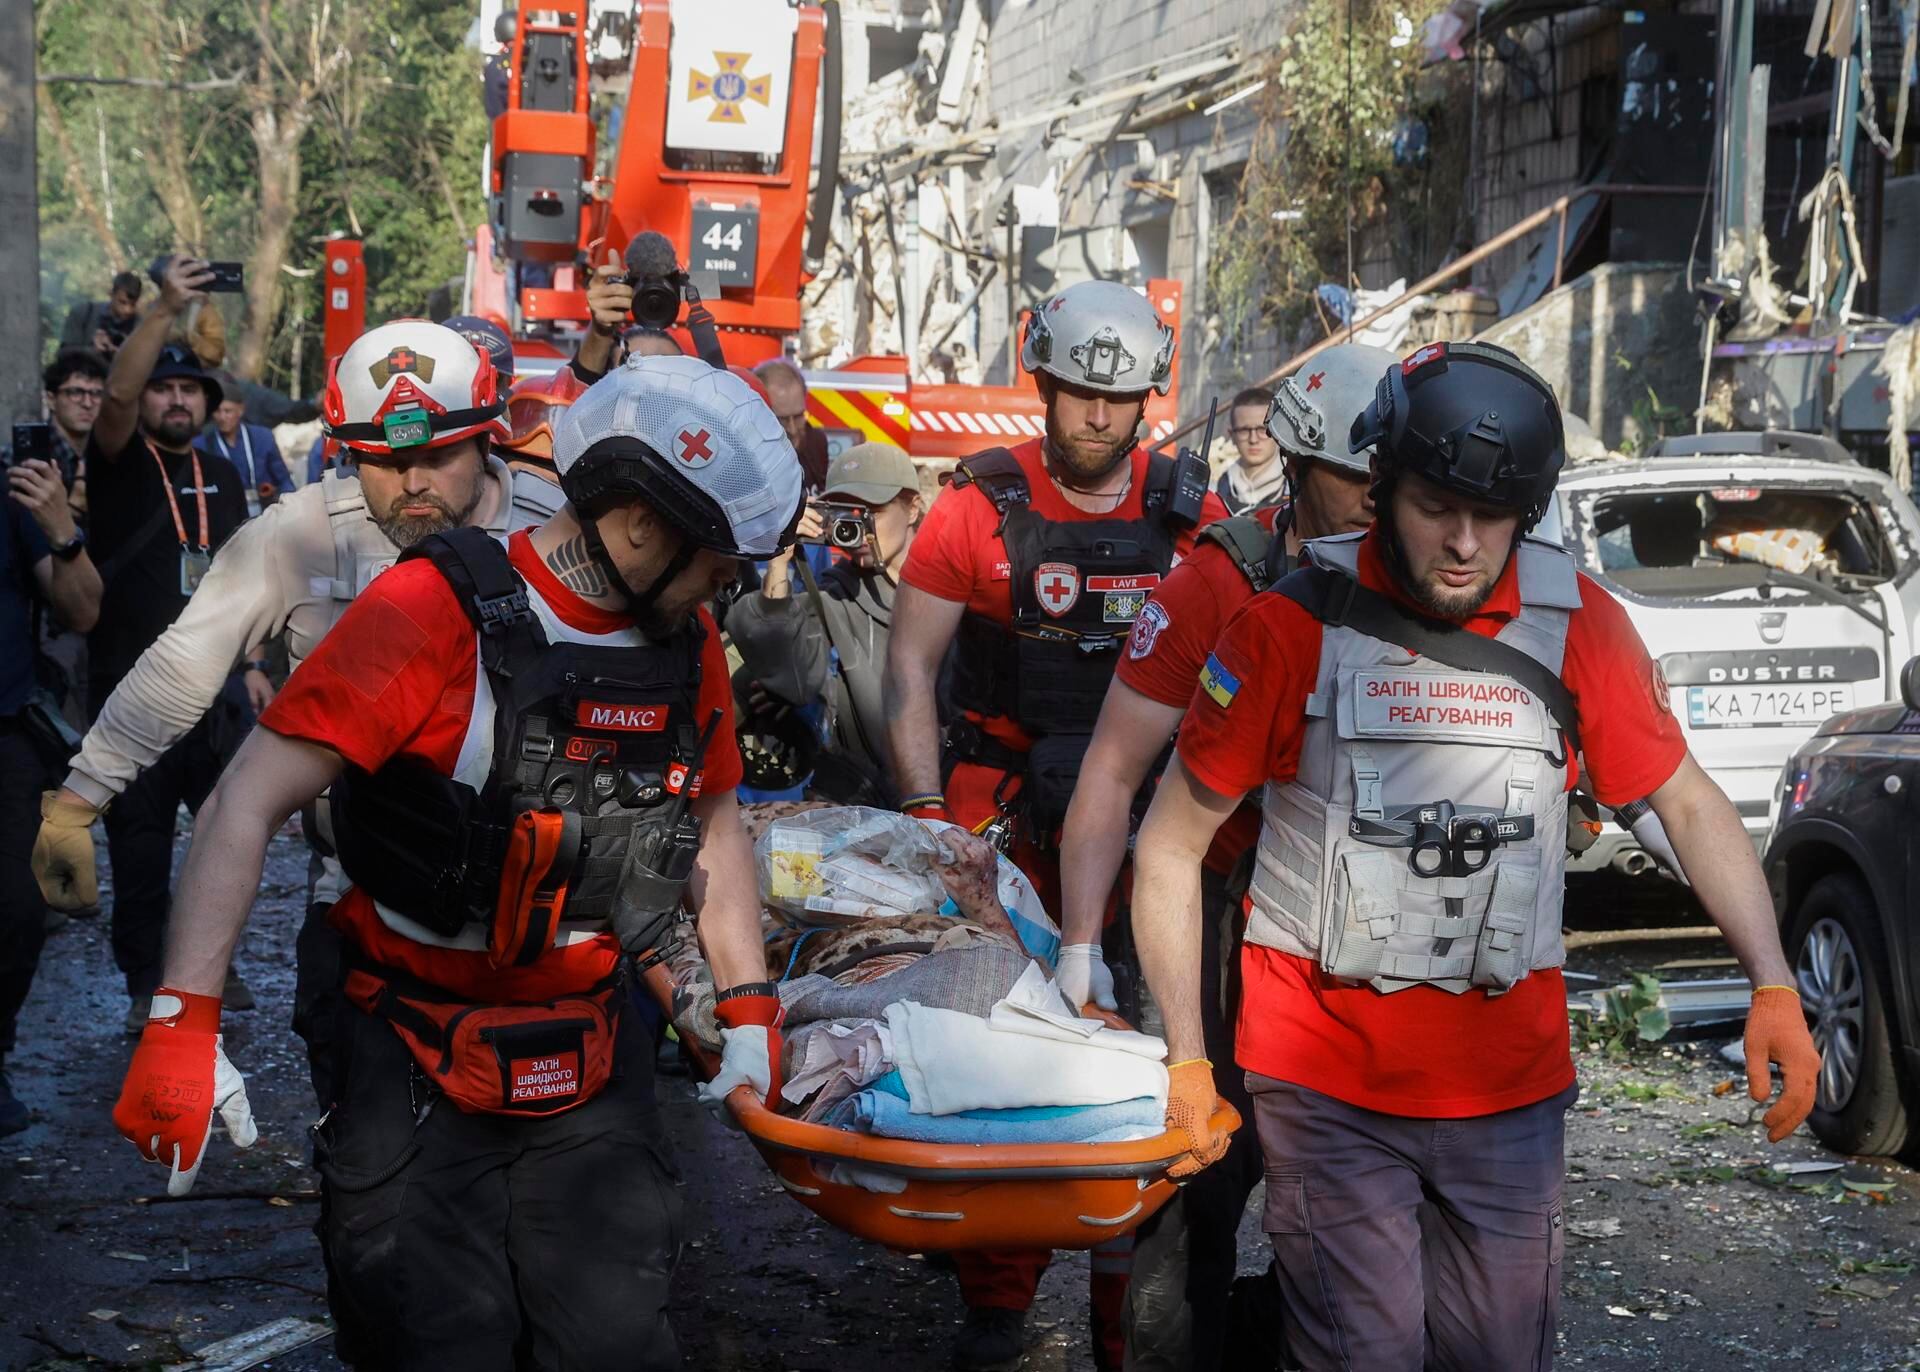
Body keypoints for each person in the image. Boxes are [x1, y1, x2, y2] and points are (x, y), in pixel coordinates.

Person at [1128, 341, 1823, 1371]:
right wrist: (1190, 1055)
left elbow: (1682, 797)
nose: (1461, 544)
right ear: (1383, 485)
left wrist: (1772, 981)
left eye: (1491, 518)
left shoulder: (1580, 627)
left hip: (1510, 1090)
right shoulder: (1281, 633)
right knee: (1364, 1353)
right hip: (1325, 1086)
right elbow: (1172, 846)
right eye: (1432, 507)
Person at [110, 354, 800, 1371]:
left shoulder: (685, 644)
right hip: (413, 1047)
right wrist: (182, 1023)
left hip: (591, 1046)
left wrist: (745, 1010)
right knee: (436, 1340)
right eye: (719, 564)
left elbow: (714, 817)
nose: (727, 592)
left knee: (614, 1342)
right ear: (642, 526)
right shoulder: (429, 613)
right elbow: (242, 801)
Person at [36, 318, 563, 1089]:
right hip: (362, 899)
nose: (413, 483)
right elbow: (185, 661)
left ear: (488, 438)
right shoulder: (299, 535)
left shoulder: (557, 529)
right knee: (364, 1164)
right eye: (383, 461)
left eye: (438, 456)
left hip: (547, 910)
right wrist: (81, 796)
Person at [882, 278, 1226, 1372]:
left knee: (1152, 1052)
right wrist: (931, 814)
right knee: (1002, 1048)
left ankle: (1133, 1309)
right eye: (1078, 392)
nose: (1094, 417)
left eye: (1117, 400)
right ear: (1045, 381)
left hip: (1150, 830)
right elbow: (909, 671)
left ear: (1147, 403)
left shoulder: (1194, 514)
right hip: (1000, 814)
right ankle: (996, 1298)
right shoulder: (972, 507)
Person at [1055, 342, 1396, 1371]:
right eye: (1362, 482)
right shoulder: (1219, 582)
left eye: (1400, 482)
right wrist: (1080, 948)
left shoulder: (1430, 578)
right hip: (1211, 907)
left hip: (1355, 923)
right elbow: (1115, 774)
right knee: (1191, 1180)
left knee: (1352, 1202)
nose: (1387, 504)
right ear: (1296, 469)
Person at [71, 257, 256, 1030]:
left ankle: (210, 966)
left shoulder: (223, 474)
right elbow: (112, 396)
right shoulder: (116, 465)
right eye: (164, 387)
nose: (176, 398)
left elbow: (250, 574)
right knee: (141, 850)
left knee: (228, 835)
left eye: (190, 389)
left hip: (215, 690)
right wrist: (164, 310)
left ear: (207, 403)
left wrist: (253, 666)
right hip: (134, 691)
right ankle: (147, 981)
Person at [729, 441, 924, 805]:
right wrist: (778, 559)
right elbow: (789, 672)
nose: (859, 528)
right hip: (865, 797)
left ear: (912, 508)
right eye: (848, 513)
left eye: (873, 513)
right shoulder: (835, 593)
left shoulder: (952, 585)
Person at [0, 447, 103, 1133]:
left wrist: (62, 529)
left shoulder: (15, 494)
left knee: (14, 907)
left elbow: (83, 611)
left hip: (6, 731)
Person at [200, 377, 294, 516]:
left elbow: (284, 481)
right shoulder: (203, 444)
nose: (222, 417)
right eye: (217, 411)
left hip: (266, 514)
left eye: (228, 411)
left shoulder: (263, 437)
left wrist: (284, 502)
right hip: (226, 515)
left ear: (241, 410)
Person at [41, 349, 109, 502]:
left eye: (97, 394)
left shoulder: (107, 453)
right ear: (51, 400)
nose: (87, 403)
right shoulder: (28, 456)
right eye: (75, 392)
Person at [756, 358, 830, 493]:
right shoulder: (748, 459)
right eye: (782, 420)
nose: (793, 429)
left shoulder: (816, 442)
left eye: (798, 417)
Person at [1216, 384, 1283, 514]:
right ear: (1232, 435)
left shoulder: (1295, 484)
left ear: (1278, 431)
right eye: (1244, 430)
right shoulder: (1223, 486)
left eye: (1262, 430)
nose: (1253, 439)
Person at [60, 270, 144, 362]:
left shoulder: (140, 326)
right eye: (122, 302)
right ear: (111, 294)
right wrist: (92, 349)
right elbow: (63, 353)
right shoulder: (84, 313)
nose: (127, 310)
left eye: (133, 304)